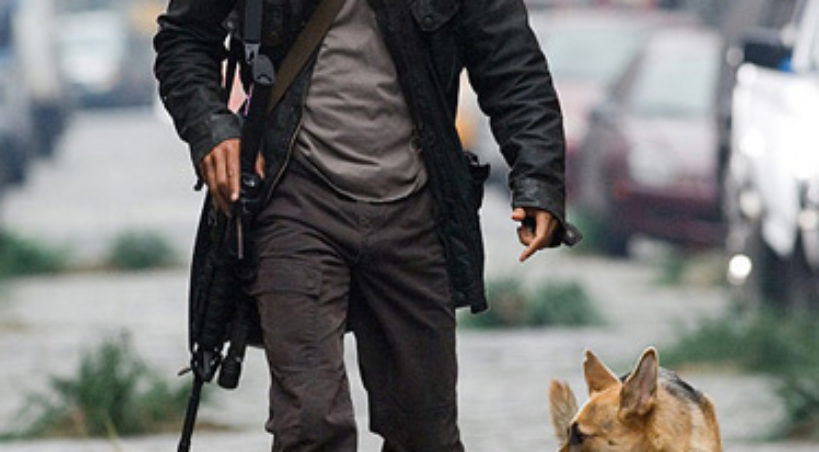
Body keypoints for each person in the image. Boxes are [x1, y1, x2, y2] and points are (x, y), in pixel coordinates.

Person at [154, 0, 568, 449]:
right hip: (294, 196)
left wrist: (538, 181)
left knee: (426, 433)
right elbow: (183, 40)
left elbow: (512, 65)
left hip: (416, 207)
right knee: (310, 425)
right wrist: (214, 132)